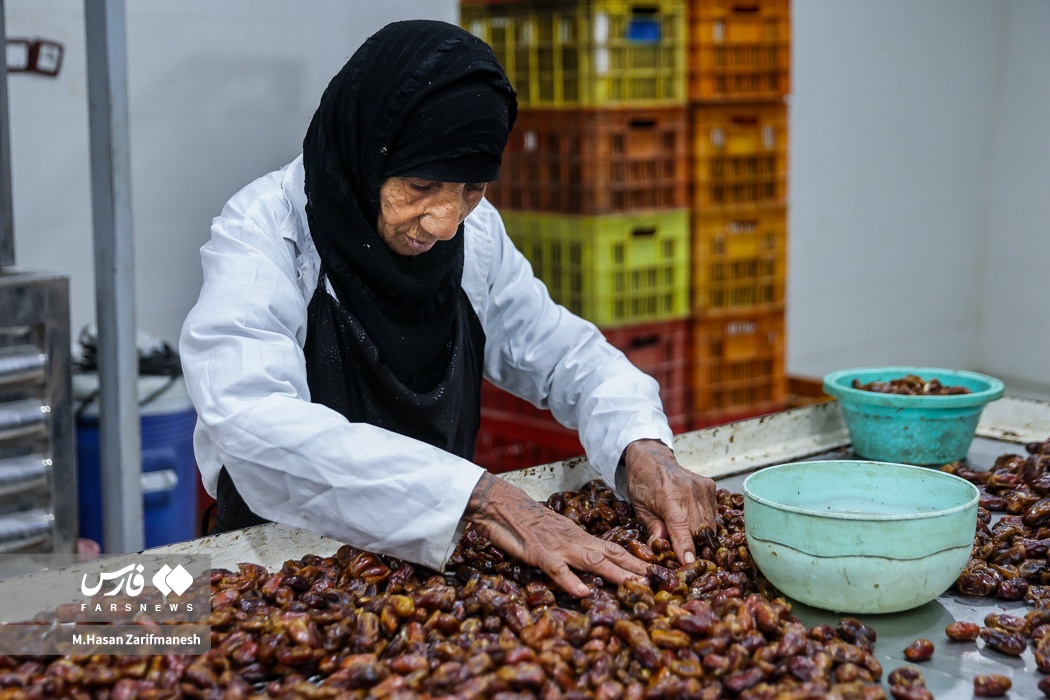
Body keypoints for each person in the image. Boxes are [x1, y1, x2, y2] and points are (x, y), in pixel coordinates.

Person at [180, 19, 716, 597]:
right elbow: (251, 423)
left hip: (425, 577)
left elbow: (564, 356)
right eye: (419, 186)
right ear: (368, 151)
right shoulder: (265, 234)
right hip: (277, 567)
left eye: (471, 189)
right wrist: (481, 498)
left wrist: (641, 443)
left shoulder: (474, 235)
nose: (443, 222)